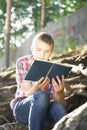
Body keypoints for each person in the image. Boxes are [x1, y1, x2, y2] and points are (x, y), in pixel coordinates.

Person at [10, 32, 67, 130]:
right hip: (22, 108)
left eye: (47, 51)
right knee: (42, 95)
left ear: (52, 53)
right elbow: (28, 94)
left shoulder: (53, 69)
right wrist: (37, 87)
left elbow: (62, 105)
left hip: (44, 111)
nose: (42, 55)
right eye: (38, 50)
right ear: (32, 49)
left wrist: (60, 92)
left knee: (58, 107)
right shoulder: (23, 63)